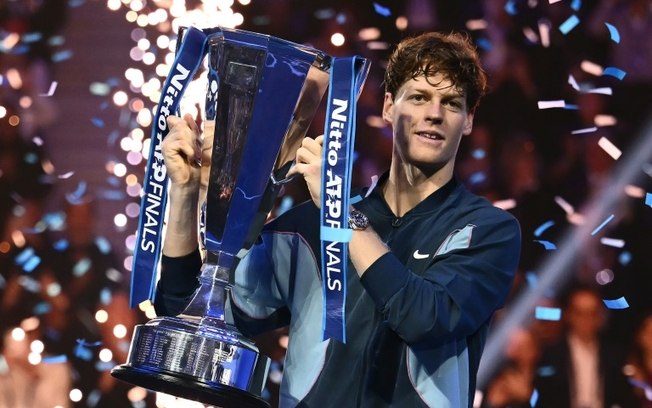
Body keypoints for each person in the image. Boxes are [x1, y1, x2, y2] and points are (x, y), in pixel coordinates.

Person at [156, 31, 521, 407]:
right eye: (419, 97)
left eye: (451, 103)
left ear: (468, 120)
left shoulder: (486, 230)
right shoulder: (308, 229)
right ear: (388, 107)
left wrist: (341, 212)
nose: (434, 113)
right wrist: (184, 196)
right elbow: (188, 312)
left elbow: (423, 318)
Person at [534, 285, 637, 408]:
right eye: (579, 313)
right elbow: (545, 393)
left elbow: (623, 394)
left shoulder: (614, 355)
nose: (585, 320)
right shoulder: (551, 354)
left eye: (591, 313)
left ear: (600, 317)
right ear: (569, 315)